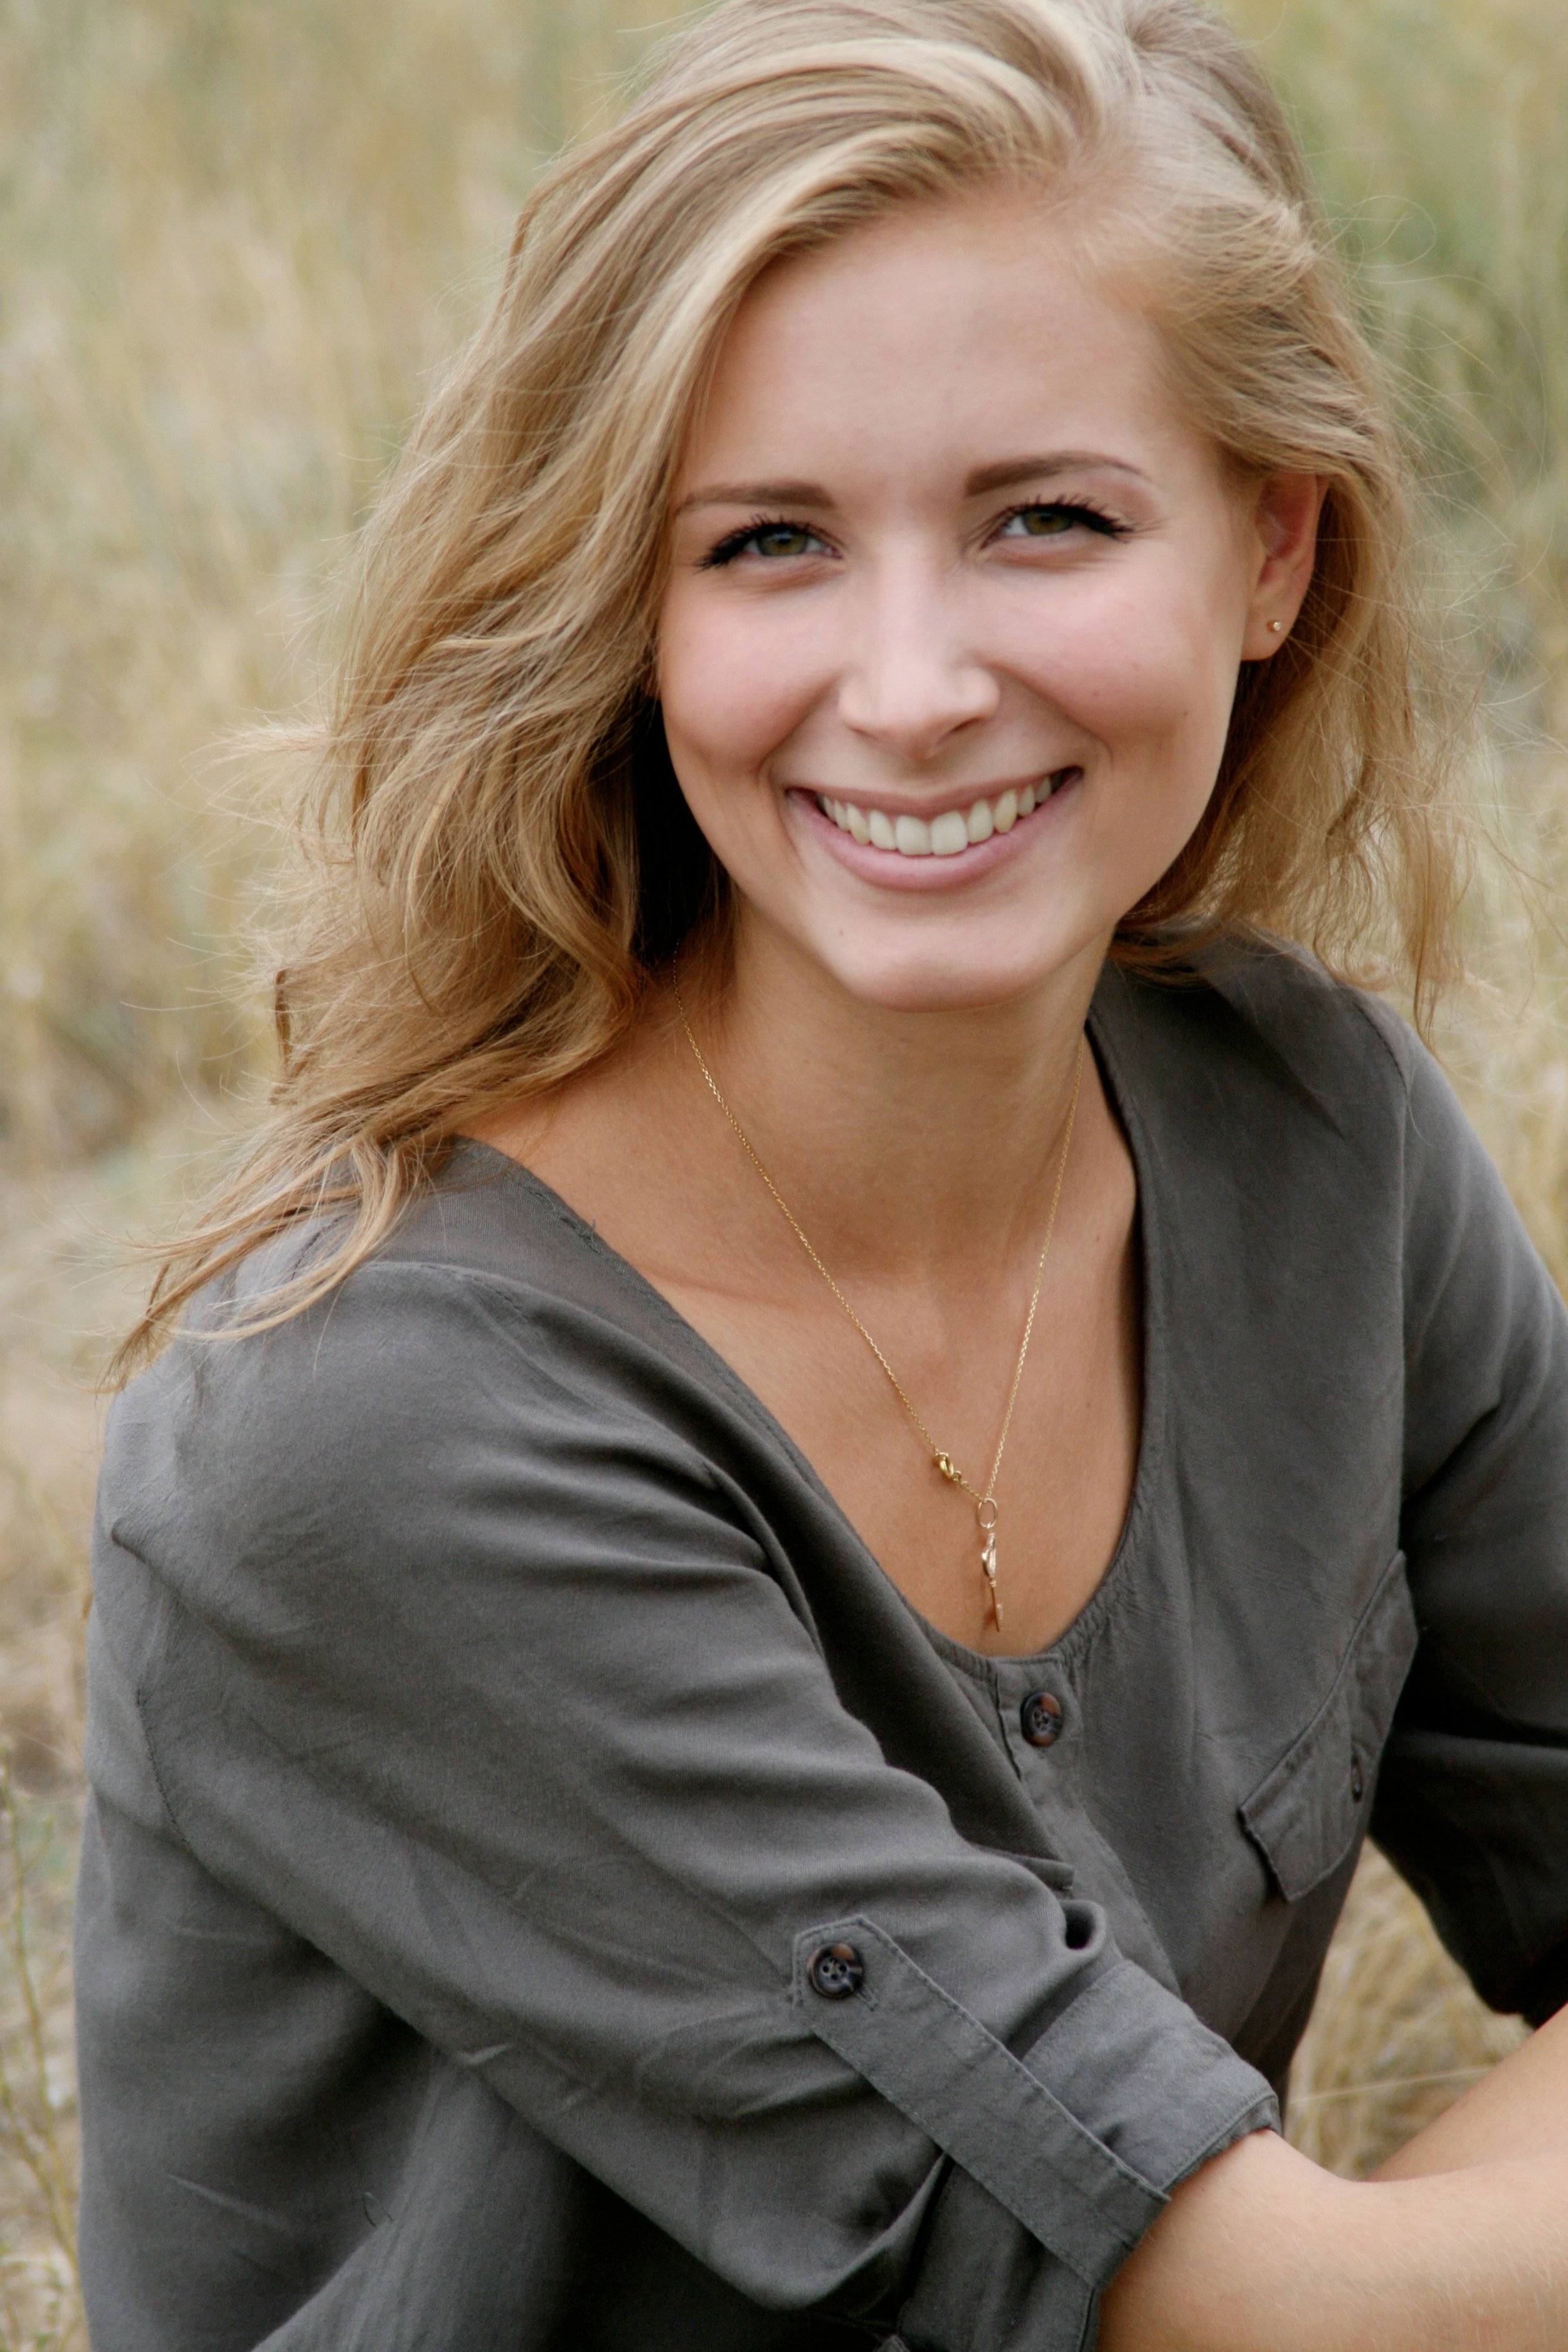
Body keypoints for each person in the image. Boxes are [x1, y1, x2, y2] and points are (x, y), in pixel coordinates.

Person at [77, 0, 1568, 2344]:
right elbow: (1252, 2311)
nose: (906, 685)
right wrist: (1361, 2274)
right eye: (767, 543)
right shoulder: (367, 1438)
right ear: (628, 612)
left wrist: (1386, 2269)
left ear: (1270, 548)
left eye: (1043, 520)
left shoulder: (1314, 1146)